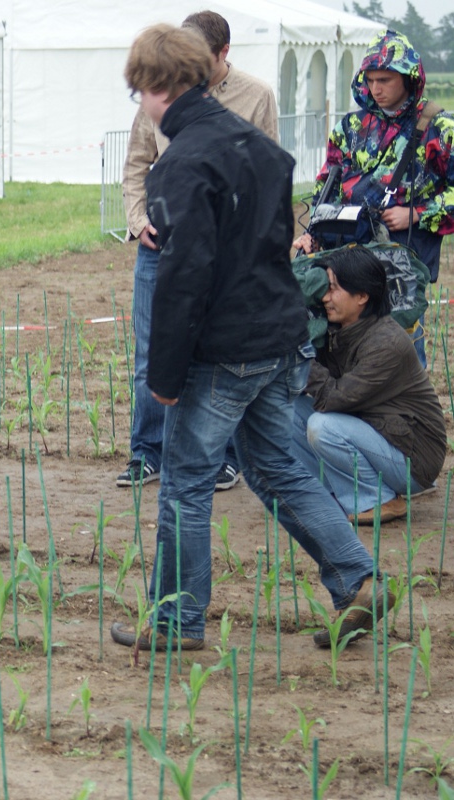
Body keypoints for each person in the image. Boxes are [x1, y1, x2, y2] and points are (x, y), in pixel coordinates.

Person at [110, 24, 388, 653]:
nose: (143, 107)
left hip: (224, 350)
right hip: (281, 337)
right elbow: (273, 246)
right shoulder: (259, 149)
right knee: (278, 469)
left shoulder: (181, 164)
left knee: (184, 483)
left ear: (157, 88)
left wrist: (165, 379)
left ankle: (178, 623)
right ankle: (358, 579)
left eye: (140, 95)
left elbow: (185, 278)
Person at [117, 10, 279, 493]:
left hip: (220, 254)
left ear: (224, 54)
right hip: (159, 247)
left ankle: (224, 458)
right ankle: (147, 452)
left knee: (217, 352)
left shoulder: (257, 96)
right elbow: (135, 166)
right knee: (151, 353)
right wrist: (138, 220)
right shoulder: (162, 90)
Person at [292, 30, 454, 366]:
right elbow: (328, 187)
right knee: (339, 349)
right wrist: (313, 233)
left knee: (402, 352)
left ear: (409, 78)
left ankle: (406, 417)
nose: (375, 89)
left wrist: (417, 214)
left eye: (385, 79)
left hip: (402, 260)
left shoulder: (440, 127)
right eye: (370, 79)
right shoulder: (350, 127)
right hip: (347, 258)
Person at [291, 245, 445, 525]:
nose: (325, 297)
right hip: (374, 434)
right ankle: (328, 495)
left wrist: (302, 351)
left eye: (334, 288)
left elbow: (331, 399)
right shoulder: (336, 329)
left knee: (322, 427)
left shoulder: (386, 342)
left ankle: (379, 499)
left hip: (412, 457)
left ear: (362, 296)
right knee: (286, 408)